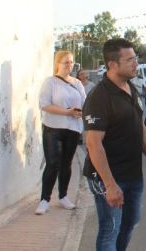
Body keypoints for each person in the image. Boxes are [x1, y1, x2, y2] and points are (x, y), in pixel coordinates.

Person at [83, 38, 146, 251]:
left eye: (135, 58)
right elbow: (93, 144)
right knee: (110, 229)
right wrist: (109, 185)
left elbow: (140, 127)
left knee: (129, 224)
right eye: (130, 60)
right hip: (107, 176)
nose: (135, 63)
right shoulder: (99, 96)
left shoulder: (131, 88)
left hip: (132, 174)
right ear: (112, 65)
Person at [35, 51, 86, 215]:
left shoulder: (77, 83)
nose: (69, 65)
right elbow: (44, 104)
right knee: (53, 163)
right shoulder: (50, 82)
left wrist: (79, 112)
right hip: (53, 127)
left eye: (71, 62)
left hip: (72, 129)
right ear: (57, 63)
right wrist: (67, 112)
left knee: (67, 163)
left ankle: (63, 196)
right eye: (66, 62)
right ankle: (44, 199)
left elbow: (84, 103)